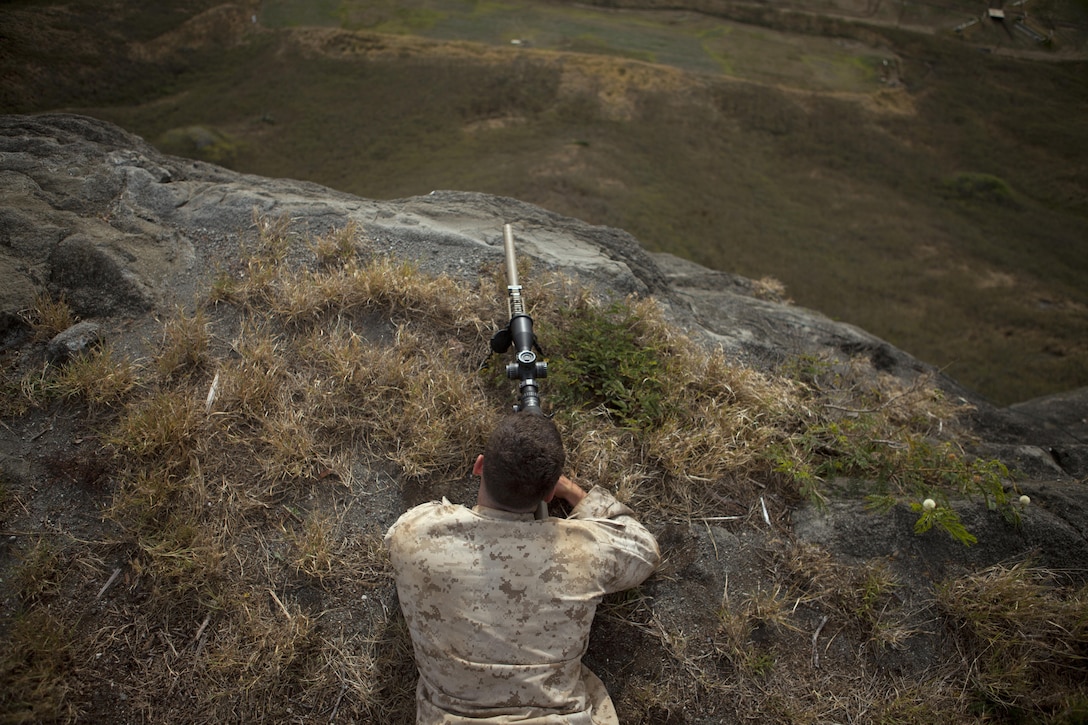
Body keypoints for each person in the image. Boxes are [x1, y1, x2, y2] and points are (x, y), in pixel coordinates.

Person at [385, 413, 661, 724]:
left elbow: (402, 530)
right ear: (548, 494)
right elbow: (643, 549)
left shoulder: (415, 536)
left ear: (479, 467)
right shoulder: (586, 550)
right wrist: (575, 493)